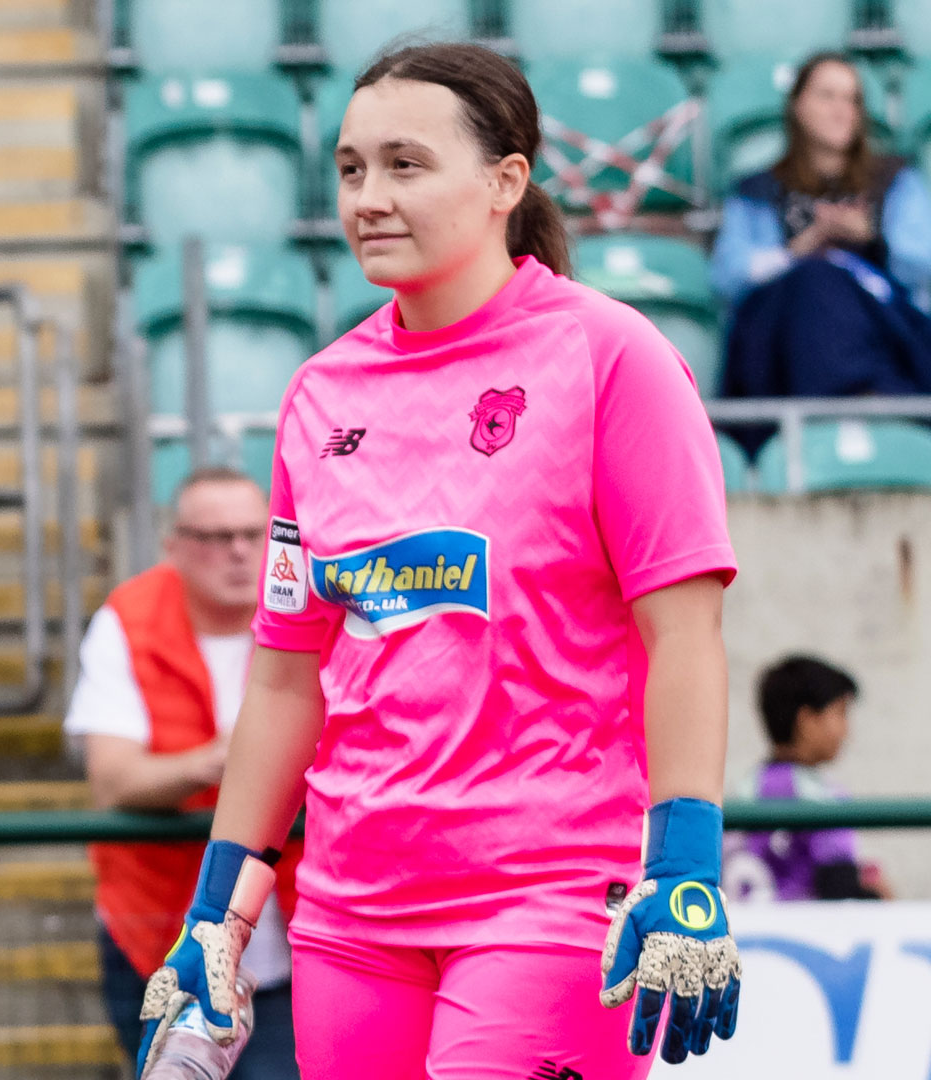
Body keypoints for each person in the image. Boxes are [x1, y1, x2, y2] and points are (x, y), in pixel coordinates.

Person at [134, 42, 743, 1080]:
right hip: (350, 917)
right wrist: (216, 920)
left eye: (406, 164)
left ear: (506, 182)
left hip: (550, 902)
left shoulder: (614, 358)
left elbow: (684, 633)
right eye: (350, 167)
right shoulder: (320, 393)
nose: (369, 197)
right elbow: (286, 682)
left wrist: (684, 863)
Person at [64, 466, 301, 1080]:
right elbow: (113, 779)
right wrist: (225, 759)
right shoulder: (130, 618)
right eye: (214, 537)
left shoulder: (313, 610)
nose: (241, 551)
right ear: (173, 545)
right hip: (161, 939)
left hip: (305, 942)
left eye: (257, 533)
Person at [712, 52, 931, 400]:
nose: (842, 110)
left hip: (881, 337)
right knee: (813, 281)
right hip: (784, 346)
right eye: (827, 96)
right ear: (798, 106)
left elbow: (922, 267)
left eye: (852, 99)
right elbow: (729, 276)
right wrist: (802, 248)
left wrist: (875, 238)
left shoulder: (893, 180)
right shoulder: (757, 189)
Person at [725, 655, 894, 902]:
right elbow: (840, 890)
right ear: (807, 720)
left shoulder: (741, 791)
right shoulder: (824, 798)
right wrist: (877, 895)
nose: (847, 731)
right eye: (840, 713)